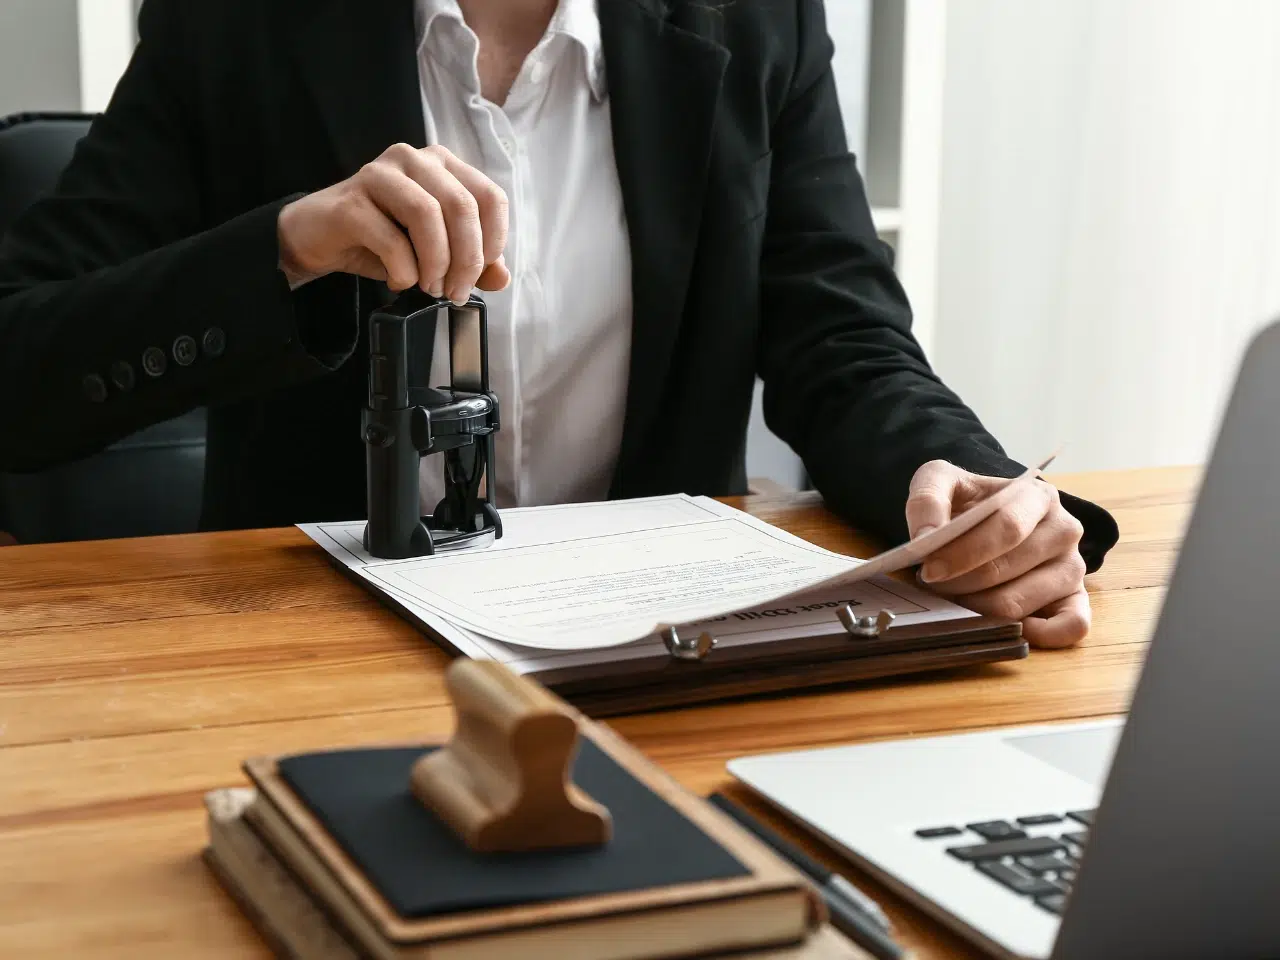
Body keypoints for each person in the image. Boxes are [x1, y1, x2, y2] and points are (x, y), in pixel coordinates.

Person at [0, 0, 1117, 645]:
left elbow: (843, 334)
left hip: (661, 654)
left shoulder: (751, 10)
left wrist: (957, 484)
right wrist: (288, 246)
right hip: (319, 657)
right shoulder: (241, 18)